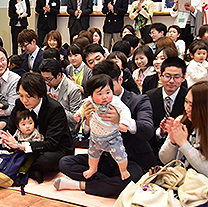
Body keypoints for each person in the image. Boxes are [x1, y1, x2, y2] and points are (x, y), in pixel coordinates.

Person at [57, 60, 156, 197]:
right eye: (99, 90)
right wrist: (87, 120)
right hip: (102, 157)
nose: (104, 95)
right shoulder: (93, 101)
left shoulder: (138, 100)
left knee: (132, 178)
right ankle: (108, 183)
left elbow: (148, 131)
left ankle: (83, 185)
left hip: (129, 159)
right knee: (65, 162)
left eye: (108, 89)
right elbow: (83, 134)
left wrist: (122, 121)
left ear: (120, 80)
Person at [0, 72, 74, 183]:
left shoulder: (54, 109)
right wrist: (5, 138)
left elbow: (51, 143)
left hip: (54, 148)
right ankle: (29, 169)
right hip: (26, 141)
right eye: (21, 95)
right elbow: (10, 127)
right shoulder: (20, 103)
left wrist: (19, 146)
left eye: (28, 96)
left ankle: (22, 166)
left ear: (40, 94)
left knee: (45, 161)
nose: (24, 100)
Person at [159, 81, 208, 207]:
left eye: (192, 105)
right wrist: (173, 142)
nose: (187, 108)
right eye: (186, 102)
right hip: (179, 181)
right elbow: (165, 159)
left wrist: (184, 144)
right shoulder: (182, 120)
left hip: (201, 188)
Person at [71, 74, 132, 181]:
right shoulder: (89, 101)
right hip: (95, 138)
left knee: (120, 155)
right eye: (99, 94)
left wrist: (123, 123)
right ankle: (92, 169)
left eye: (108, 92)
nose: (104, 97)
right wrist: (78, 114)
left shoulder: (115, 101)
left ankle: (123, 170)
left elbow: (125, 111)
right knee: (92, 156)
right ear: (91, 95)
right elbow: (83, 108)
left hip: (112, 137)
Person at [146, 57, 187, 159]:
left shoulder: (188, 98)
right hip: (152, 150)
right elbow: (145, 126)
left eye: (177, 77)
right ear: (160, 75)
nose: (171, 81)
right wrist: (160, 131)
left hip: (180, 152)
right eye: (167, 76)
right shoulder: (149, 96)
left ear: (184, 77)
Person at [40, 59, 82, 137]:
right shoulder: (47, 85)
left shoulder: (73, 89)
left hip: (66, 131)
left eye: (49, 79)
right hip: (48, 127)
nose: (46, 82)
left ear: (59, 75)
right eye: (44, 79)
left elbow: (75, 119)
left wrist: (57, 106)